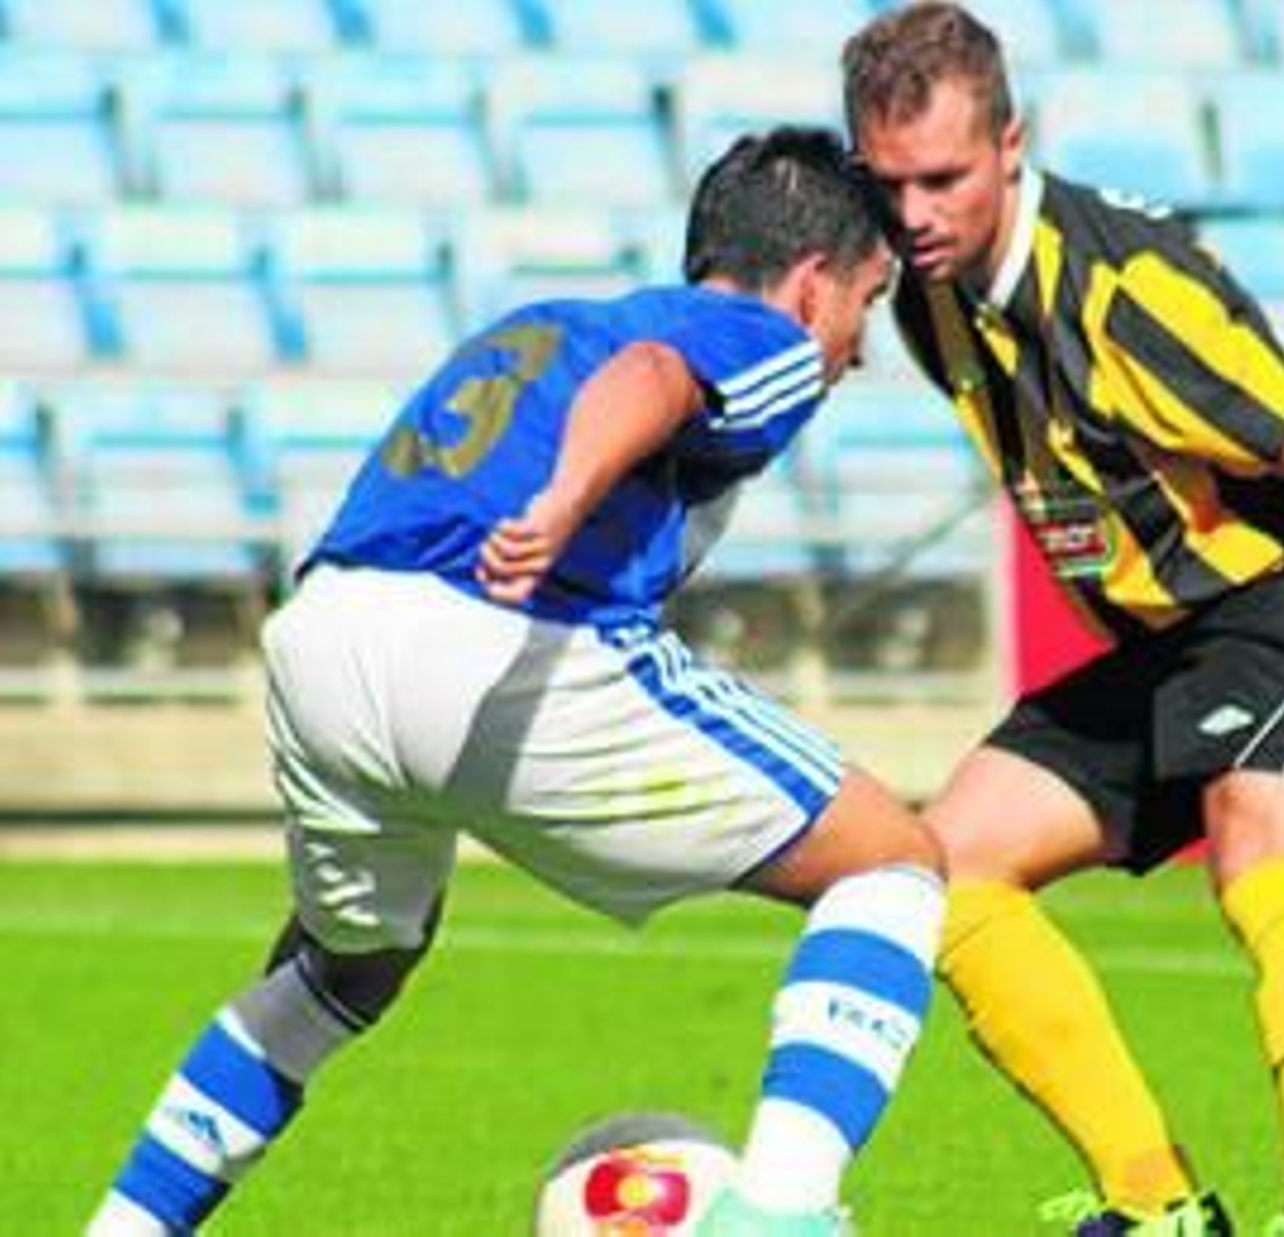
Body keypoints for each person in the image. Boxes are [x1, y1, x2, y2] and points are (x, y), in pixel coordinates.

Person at [87, 127, 946, 1237]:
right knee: (892, 861)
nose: (857, 348)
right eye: (866, 305)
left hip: (327, 641)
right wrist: (565, 500)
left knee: (345, 970)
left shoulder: (538, 329)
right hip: (494, 639)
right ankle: (775, 1214)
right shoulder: (756, 331)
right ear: (812, 279)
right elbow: (658, 380)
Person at [841, 6, 1284, 1235]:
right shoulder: (928, 297)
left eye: (942, 180)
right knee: (938, 866)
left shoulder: (1126, 295)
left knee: (1259, 840)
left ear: (1011, 144)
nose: (912, 213)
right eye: (888, 182)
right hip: (1166, 640)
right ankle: (1160, 1205)